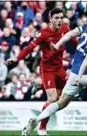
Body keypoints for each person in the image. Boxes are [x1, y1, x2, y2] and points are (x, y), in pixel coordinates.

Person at [6, 8, 78, 136]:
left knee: (63, 100)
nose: (59, 20)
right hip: (47, 69)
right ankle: (41, 128)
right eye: (56, 18)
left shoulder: (65, 29)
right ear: (51, 19)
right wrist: (16, 59)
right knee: (52, 98)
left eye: (61, 17)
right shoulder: (44, 33)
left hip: (60, 69)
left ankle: (40, 85)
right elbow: (29, 48)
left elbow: (75, 42)